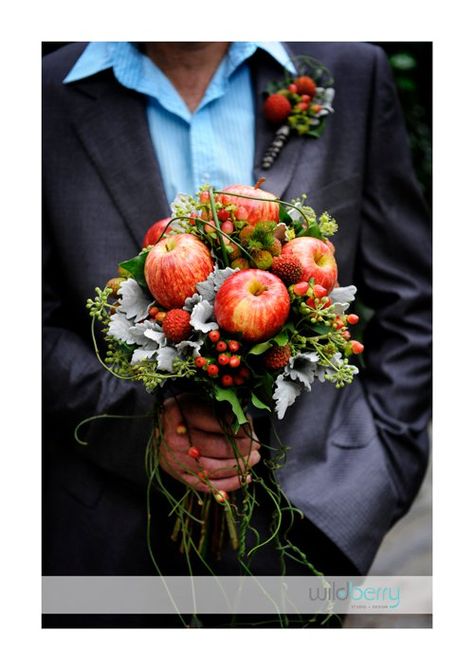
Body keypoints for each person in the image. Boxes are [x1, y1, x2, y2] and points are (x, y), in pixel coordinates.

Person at [42, 41, 431, 627]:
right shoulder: (40, 94)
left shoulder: (346, 70)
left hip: (313, 520)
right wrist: (144, 430)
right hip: (106, 540)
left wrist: (385, 467)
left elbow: (414, 298)